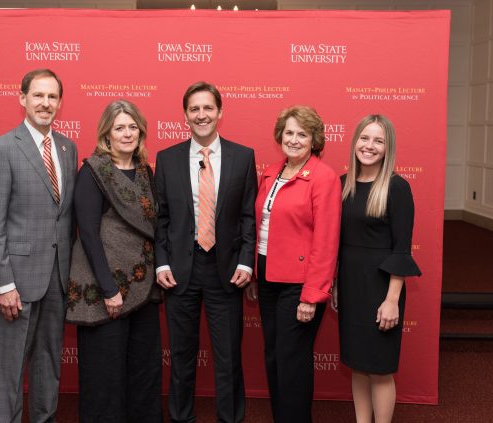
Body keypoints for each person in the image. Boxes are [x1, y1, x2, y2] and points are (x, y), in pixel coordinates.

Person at [154, 81, 257, 423]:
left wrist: (246, 260)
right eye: (194, 109)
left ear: (220, 113)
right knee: (181, 357)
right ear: (185, 115)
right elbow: (161, 218)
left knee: (228, 358)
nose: (202, 115)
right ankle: (181, 418)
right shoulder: (166, 159)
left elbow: (247, 216)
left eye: (208, 108)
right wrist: (161, 262)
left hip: (226, 271)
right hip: (180, 271)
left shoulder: (243, 157)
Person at [0, 68, 78, 422]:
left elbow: (64, 217)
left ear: (60, 103)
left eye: (52, 97)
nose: (45, 103)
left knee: (48, 361)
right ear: (22, 98)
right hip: (16, 281)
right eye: (38, 95)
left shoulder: (67, 148)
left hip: (57, 277)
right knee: (9, 366)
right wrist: (2, 284)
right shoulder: (2, 148)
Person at [65, 100, 163, 422]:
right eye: (119, 127)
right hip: (105, 288)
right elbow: (89, 235)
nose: (127, 133)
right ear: (106, 133)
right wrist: (109, 290)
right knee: (104, 374)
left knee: (144, 370)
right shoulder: (93, 171)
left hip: (144, 287)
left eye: (133, 127)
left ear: (141, 131)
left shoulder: (147, 171)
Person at [253, 105, 341, 423]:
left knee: (291, 362)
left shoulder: (323, 177)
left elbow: (327, 240)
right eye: (288, 132)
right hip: (267, 277)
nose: (293, 139)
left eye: (302, 134)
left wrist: (312, 294)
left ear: (314, 139)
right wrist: (255, 275)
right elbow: (262, 227)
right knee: (275, 357)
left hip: (299, 284)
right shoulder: (272, 171)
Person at [332, 115, 421, 423]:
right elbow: (337, 243)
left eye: (378, 141)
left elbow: (401, 250)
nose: (369, 146)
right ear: (355, 141)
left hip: (382, 288)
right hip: (351, 284)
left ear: (388, 148)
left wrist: (392, 299)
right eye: (364, 138)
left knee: (380, 369)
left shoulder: (397, 188)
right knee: (357, 364)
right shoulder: (342, 185)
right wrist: (336, 284)